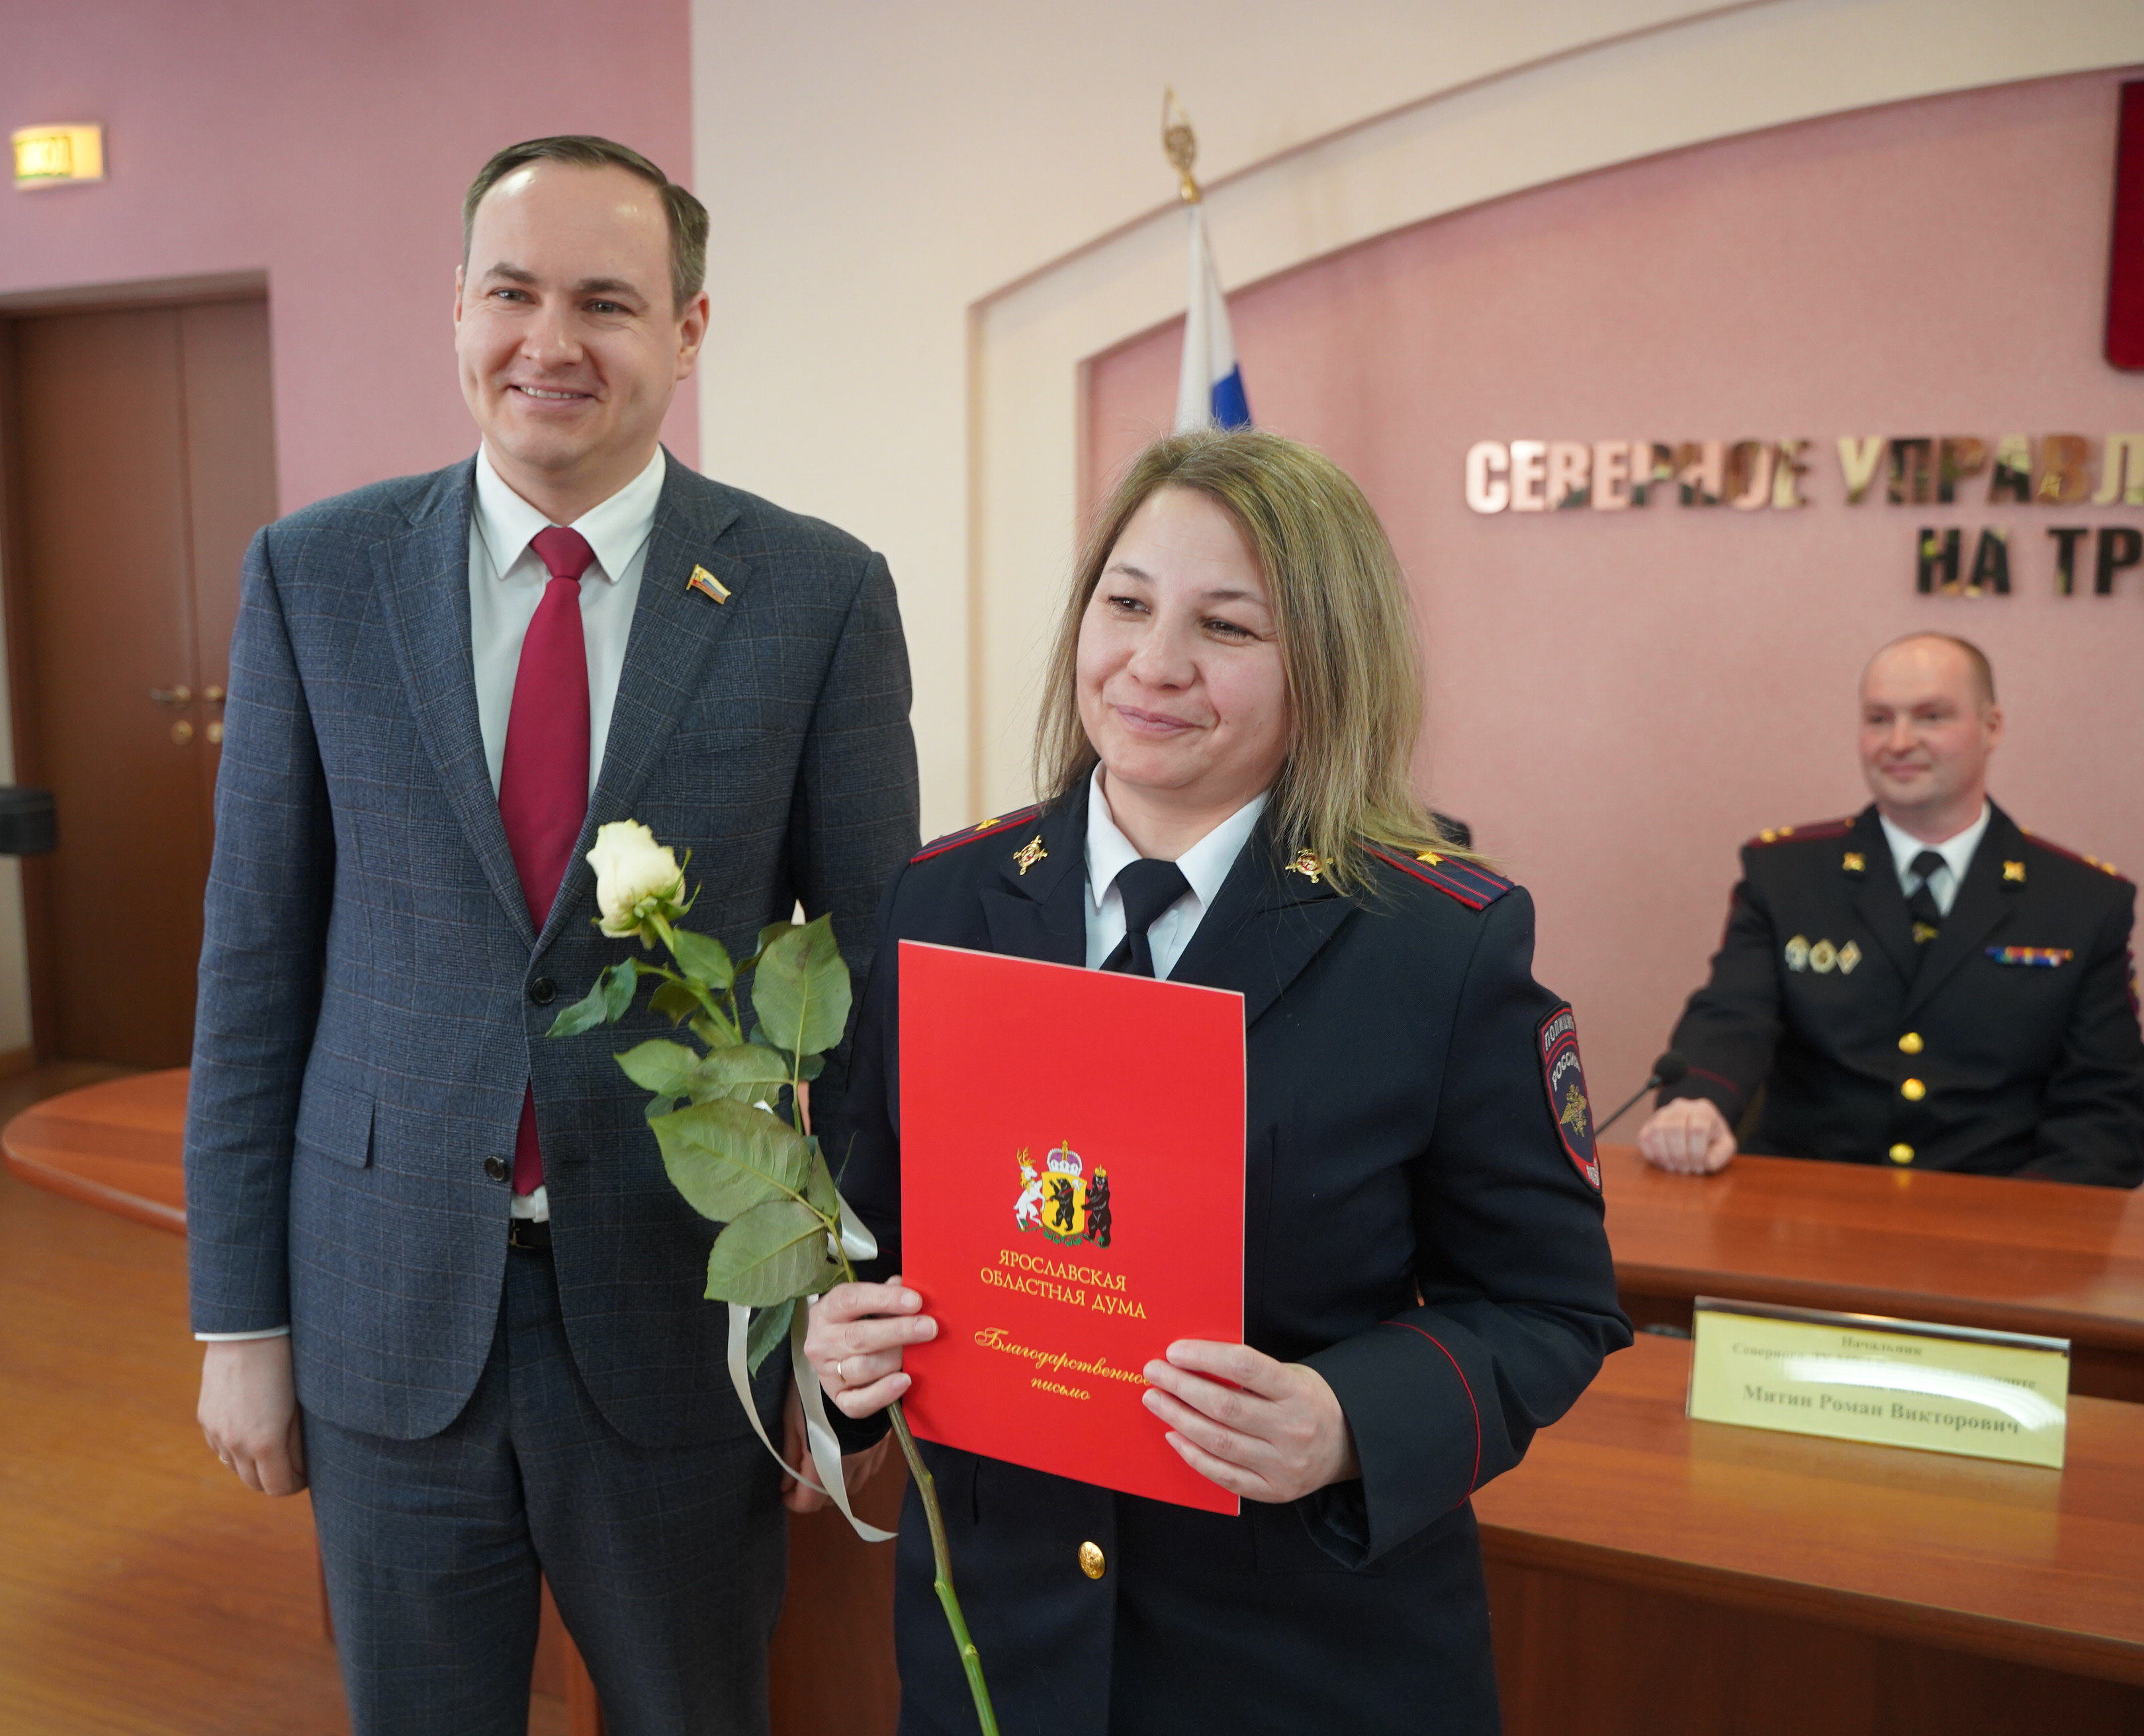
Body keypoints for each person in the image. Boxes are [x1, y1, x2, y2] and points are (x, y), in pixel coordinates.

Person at [183, 136, 919, 1735]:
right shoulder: (315, 574)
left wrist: (846, 1329)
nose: (550, 342)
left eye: (607, 302)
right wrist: (239, 1317)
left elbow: (877, 1000)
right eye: (512, 293)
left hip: (688, 1317)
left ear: (689, 329)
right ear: (456, 306)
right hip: (384, 1308)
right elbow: (254, 968)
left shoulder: (816, 594)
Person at [805, 429, 1629, 1735]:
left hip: (1300, 1659)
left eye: (1226, 626)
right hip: (1003, 1652)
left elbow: (1549, 1306)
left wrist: (1345, 1417)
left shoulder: (1437, 942)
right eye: (1126, 603)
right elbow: (864, 1235)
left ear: (1327, 664)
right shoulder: (940, 899)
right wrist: (838, 1347)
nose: (1154, 663)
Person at [1638, 633, 2143, 1188]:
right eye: (1879, 719)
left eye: (1931, 717)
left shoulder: (2083, 902)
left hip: (1998, 1214)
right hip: (1808, 1207)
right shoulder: (1785, 875)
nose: (1899, 742)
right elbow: (1733, 1015)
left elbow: (2105, 1107)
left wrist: (2021, 1226)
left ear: (1991, 726)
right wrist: (1697, 1103)